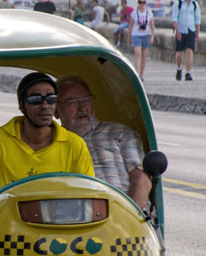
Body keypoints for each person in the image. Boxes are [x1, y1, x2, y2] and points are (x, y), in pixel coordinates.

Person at [0, 72, 94, 207]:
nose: (45, 106)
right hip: (8, 224)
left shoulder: (75, 145)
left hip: (60, 224)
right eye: (35, 99)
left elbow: (88, 194)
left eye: (51, 99)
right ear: (21, 106)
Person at [55, 75, 152, 206]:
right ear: (56, 110)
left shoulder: (119, 133)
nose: (82, 107)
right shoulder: (52, 144)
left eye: (86, 100)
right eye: (72, 102)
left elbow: (142, 180)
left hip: (125, 213)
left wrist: (125, 219)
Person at [172, 0, 201, 81]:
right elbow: (174, 19)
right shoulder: (178, 3)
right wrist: (177, 31)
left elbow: (197, 19)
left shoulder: (194, 4)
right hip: (181, 30)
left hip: (191, 30)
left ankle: (188, 72)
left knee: (189, 51)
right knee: (179, 53)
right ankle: (179, 68)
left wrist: (197, 32)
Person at [129, 0, 154, 80]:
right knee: (138, 53)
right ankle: (137, 73)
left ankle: (141, 74)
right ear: (138, 3)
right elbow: (131, 26)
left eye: (143, 2)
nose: (142, 4)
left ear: (146, 3)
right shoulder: (133, 14)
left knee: (144, 55)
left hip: (146, 35)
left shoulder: (149, 13)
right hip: (136, 35)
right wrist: (129, 38)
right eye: (140, 2)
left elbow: (152, 27)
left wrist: (152, 36)